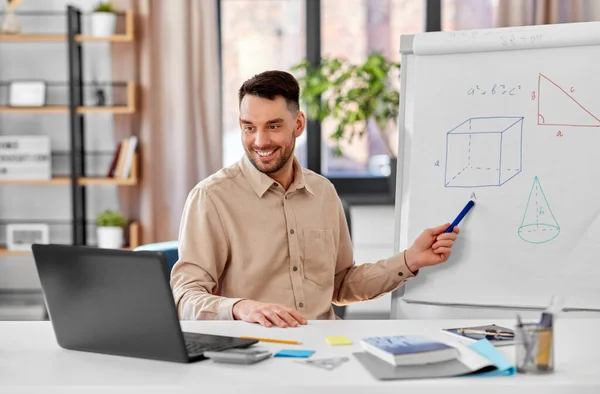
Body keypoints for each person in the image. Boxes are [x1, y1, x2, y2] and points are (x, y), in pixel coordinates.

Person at [170, 70, 460, 328]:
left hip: (325, 346)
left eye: (273, 126)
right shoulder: (212, 198)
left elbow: (341, 284)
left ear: (298, 124)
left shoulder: (323, 193)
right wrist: (240, 308)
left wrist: (410, 260)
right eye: (249, 127)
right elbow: (185, 298)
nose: (260, 141)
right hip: (252, 351)